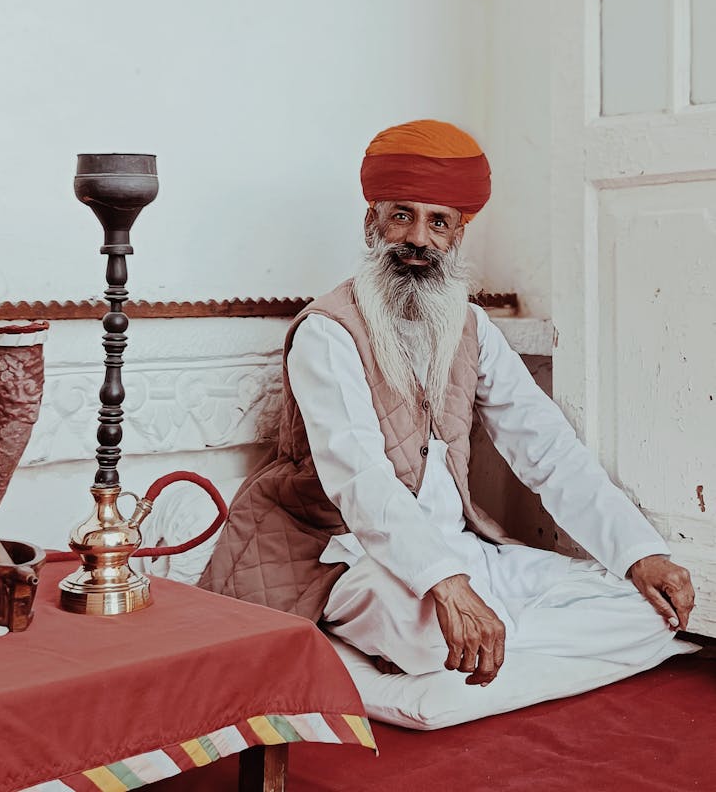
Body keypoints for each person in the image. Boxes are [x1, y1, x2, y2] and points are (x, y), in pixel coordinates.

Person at [201, 119, 695, 693]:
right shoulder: (327, 331)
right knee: (433, 639)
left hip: (459, 548)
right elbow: (359, 478)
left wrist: (640, 554)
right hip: (342, 553)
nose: (419, 238)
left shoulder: (472, 327)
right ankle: (499, 651)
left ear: (458, 235)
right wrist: (446, 583)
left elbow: (548, 450)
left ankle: (492, 652)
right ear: (372, 224)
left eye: (439, 222)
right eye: (402, 215)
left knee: (648, 609)